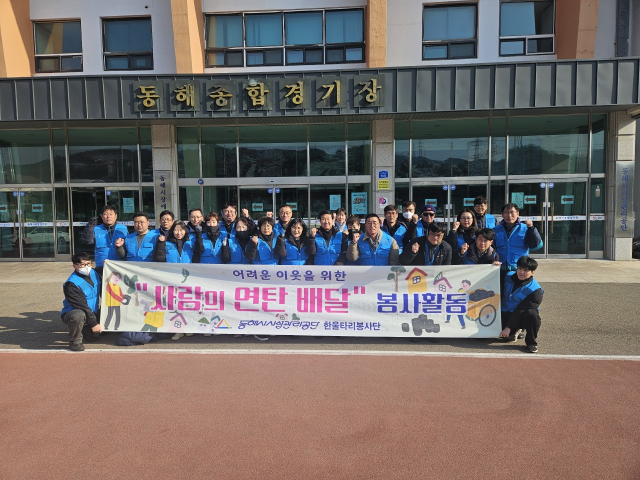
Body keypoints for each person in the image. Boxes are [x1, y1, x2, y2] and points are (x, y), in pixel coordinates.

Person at [499, 256, 543, 353]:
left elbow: (521, 309)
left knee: (532, 314)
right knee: (503, 336)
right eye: (519, 268)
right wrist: (493, 265)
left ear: (532, 272)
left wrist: (508, 327)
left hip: (520, 314)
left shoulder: (535, 290)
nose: (521, 272)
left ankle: (531, 343)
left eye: (525, 270)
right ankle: (513, 332)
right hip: (503, 311)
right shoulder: (507, 276)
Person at [493, 203, 543, 286]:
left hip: (519, 269)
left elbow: (536, 246)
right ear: (502, 215)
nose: (509, 215)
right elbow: (491, 248)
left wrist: (531, 229)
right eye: (506, 212)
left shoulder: (526, 228)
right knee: (501, 291)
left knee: (518, 291)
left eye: (512, 212)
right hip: (500, 269)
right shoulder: (495, 230)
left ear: (517, 213)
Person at [61, 252, 103, 352]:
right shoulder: (71, 284)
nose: (86, 267)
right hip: (75, 311)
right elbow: (82, 306)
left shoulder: (95, 273)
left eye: (88, 264)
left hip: (93, 311)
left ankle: (86, 331)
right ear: (74, 266)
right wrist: (94, 323)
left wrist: (109, 263)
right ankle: (75, 342)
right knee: (78, 316)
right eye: (82, 265)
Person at [80, 205, 128, 277]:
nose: (108, 216)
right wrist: (90, 225)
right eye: (105, 214)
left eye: (111, 214)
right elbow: (87, 241)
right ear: (102, 216)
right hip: (102, 266)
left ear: (116, 216)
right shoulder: (96, 228)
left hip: (119, 265)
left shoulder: (123, 229)